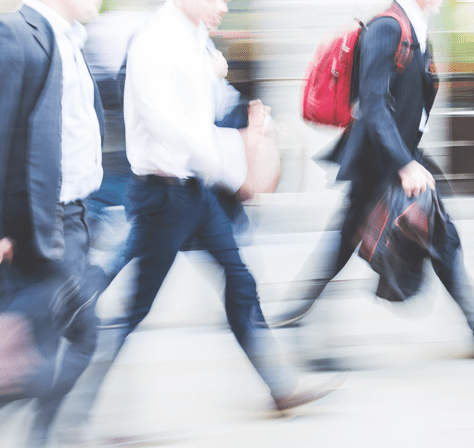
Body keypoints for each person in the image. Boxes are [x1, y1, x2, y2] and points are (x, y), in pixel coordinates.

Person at [106, 0, 344, 414]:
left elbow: (205, 111)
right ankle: (73, 399)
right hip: (164, 194)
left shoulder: (195, 40)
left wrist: (251, 123)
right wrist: (237, 173)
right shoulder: (157, 42)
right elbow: (174, 126)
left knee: (240, 281)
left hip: (194, 192)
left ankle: (280, 386)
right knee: (134, 306)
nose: (225, 6)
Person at [273, 0, 474, 337]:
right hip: (380, 162)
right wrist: (405, 165)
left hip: (402, 157)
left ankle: (298, 311)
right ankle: (299, 313)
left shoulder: (418, 31)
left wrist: (409, 160)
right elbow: (373, 103)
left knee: (439, 235)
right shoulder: (388, 28)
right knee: (353, 239)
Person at [0, 0, 106, 445]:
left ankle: (43, 436)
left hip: (76, 215)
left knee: (77, 337)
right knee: (35, 355)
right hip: (39, 222)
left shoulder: (73, 41)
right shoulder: (17, 34)